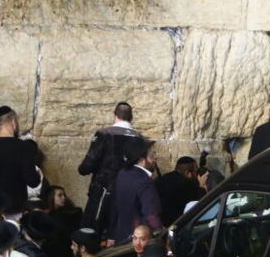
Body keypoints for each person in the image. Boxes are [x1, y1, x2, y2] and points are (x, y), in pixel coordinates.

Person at [78, 102, 142, 231]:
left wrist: (82, 169)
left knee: (92, 229)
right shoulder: (139, 138)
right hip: (129, 192)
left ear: (115, 115)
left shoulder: (104, 133)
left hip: (103, 189)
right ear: (131, 117)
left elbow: (90, 162)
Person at [109, 137, 162, 248]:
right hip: (139, 240)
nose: (155, 158)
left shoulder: (122, 174)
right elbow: (151, 214)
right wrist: (160, 235)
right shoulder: (144, 181)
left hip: (122, 236)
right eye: (152, 155)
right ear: (142, 160)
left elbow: (115, 206)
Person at [156, 156, 204, 225]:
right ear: (187, 173)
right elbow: (197, 205)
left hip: (161, 222)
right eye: (196, 171)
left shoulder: (162, 179)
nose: (197, 173)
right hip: (178, 223)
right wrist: (202, 187)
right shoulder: (187, 185)